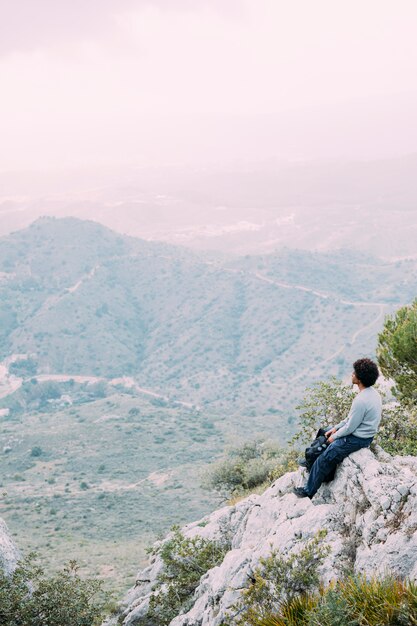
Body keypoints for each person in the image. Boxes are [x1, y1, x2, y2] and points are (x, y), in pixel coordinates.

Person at [293, 358, 382, 499]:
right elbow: (349, 420)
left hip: (358, 439)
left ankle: (308, 491)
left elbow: (350, 427)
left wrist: (334, 437)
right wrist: (335, 428)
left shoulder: (361, 400)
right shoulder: (372, 394)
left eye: (354, 373)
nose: (352, 374)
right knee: (325, 431)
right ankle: (311, 459)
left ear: (359, 379)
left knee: (325, 458)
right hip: (358, 433)